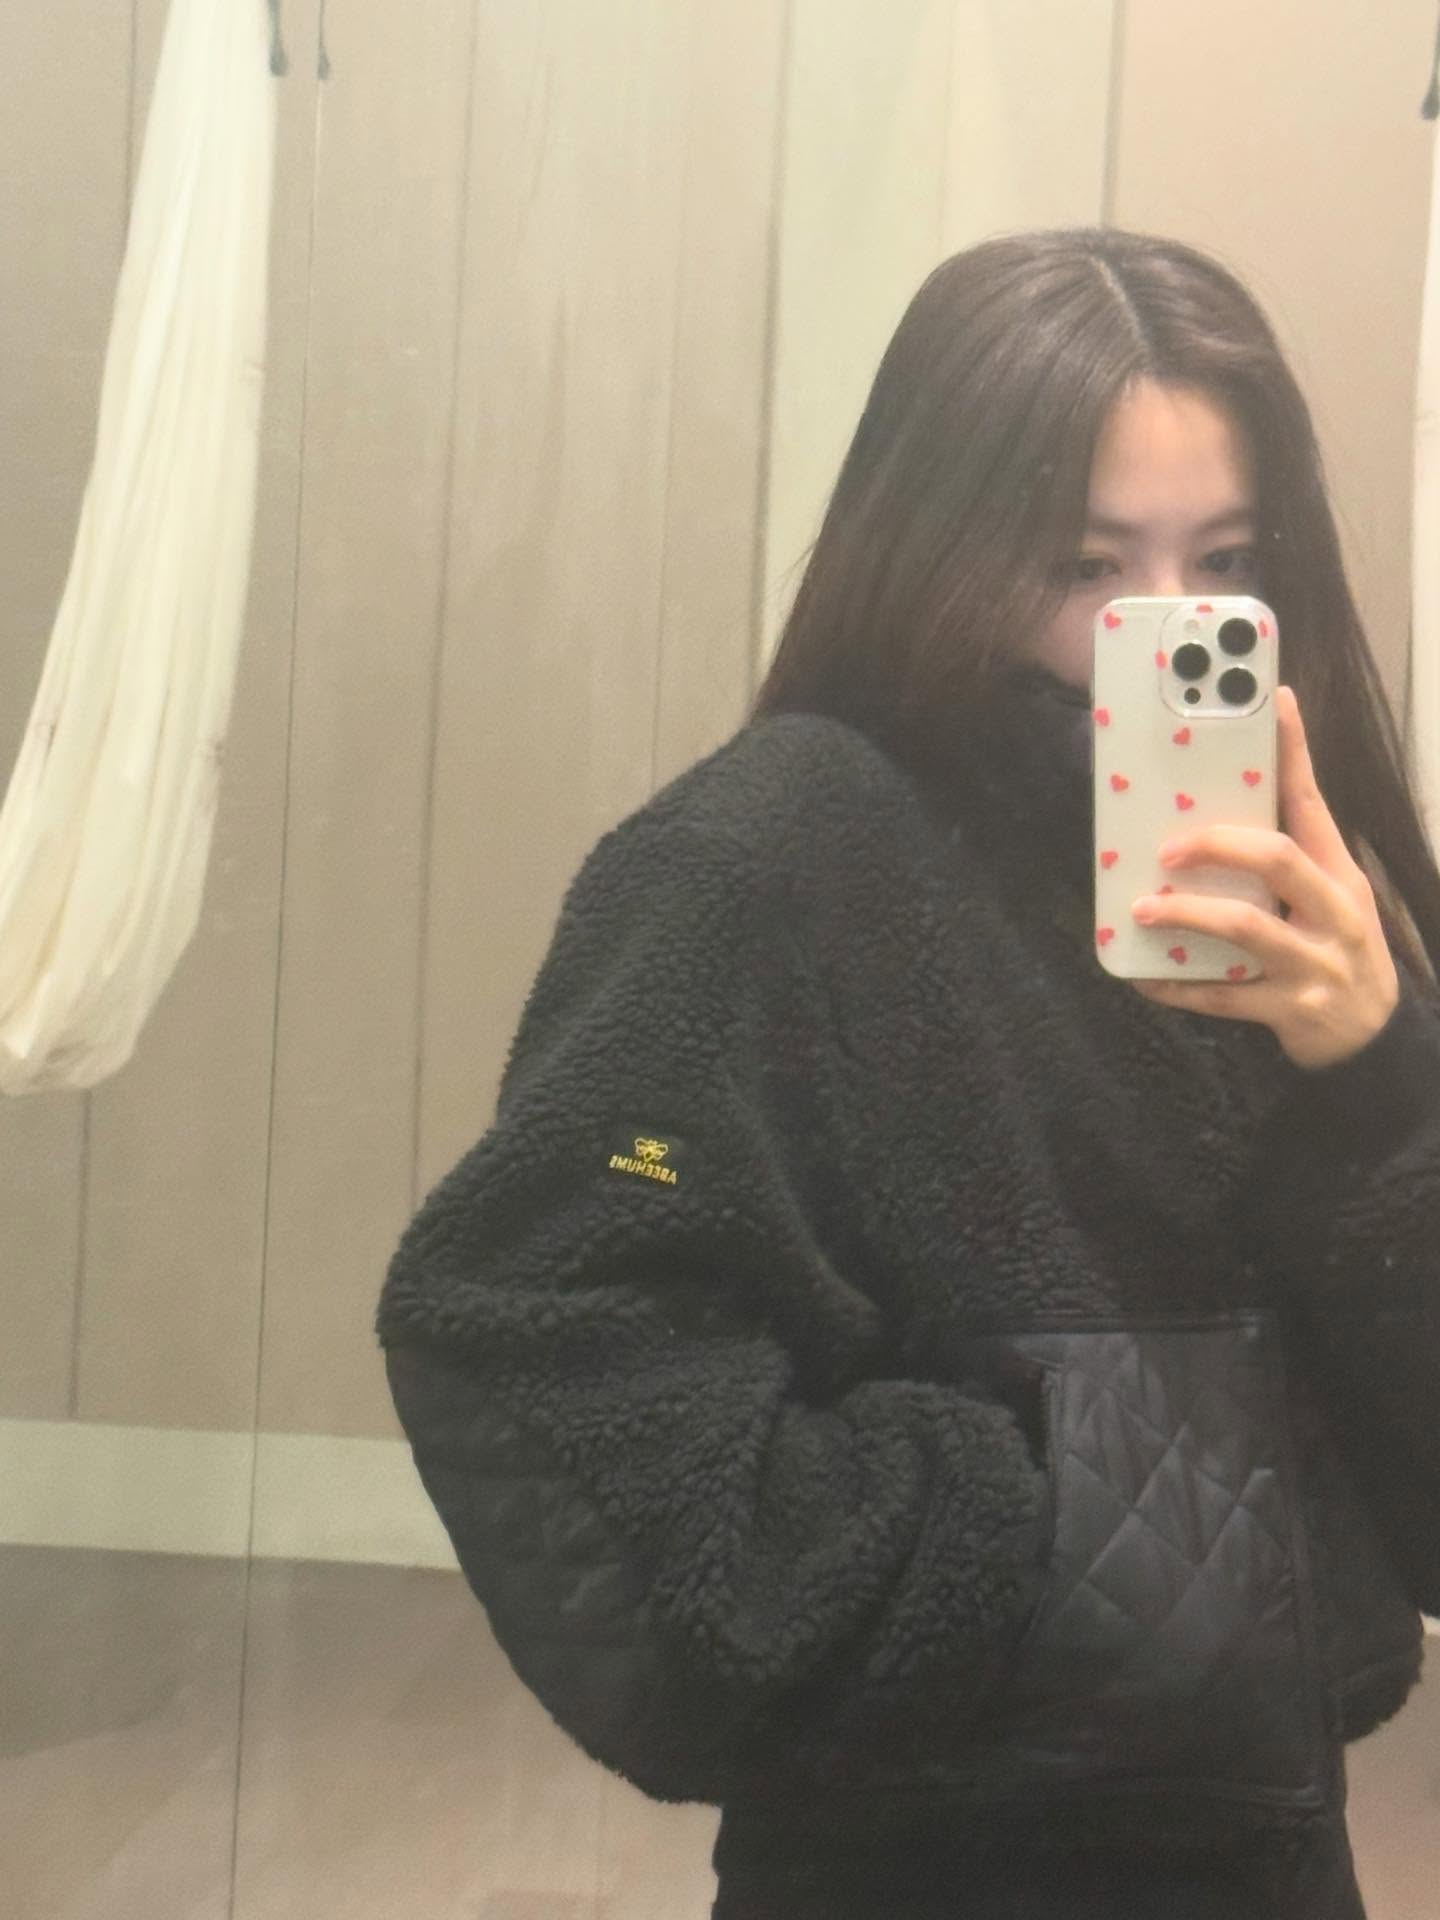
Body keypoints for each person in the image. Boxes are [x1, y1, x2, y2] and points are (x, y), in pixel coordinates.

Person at [374, 227, 1440, 1919]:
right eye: (1088, 564)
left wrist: (1382, 1092)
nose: (1170, 627)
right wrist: (1003, 1532)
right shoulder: (764, 858)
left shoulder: (1317, 901)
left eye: (1227, 559)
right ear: (940, 545)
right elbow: (535, 1323)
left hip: (1273, 1858)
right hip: (916, 1864)